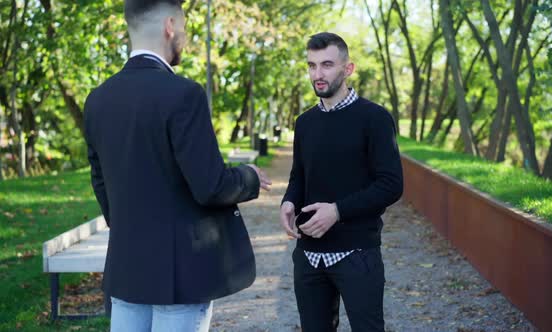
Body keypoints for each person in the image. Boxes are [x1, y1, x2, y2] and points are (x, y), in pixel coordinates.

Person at [83, 0, 272, 330]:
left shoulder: (98, 99)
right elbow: (211, 186)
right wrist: (249, 177)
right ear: (170, 26)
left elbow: (101, 183)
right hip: (181, 276)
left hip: (127, 270)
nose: (183, 35)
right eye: (183, 27)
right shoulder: (183, 94)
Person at [280, 32, 403, 332]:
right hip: (308, 257)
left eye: (326, 65)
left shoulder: (374, 118)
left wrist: (337, 211)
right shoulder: (305, 123)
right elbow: (299, 174)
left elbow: (391, 184)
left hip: (357, 253)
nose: (317, 74)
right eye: (311, 66)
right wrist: (289, 200)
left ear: (348, 69)